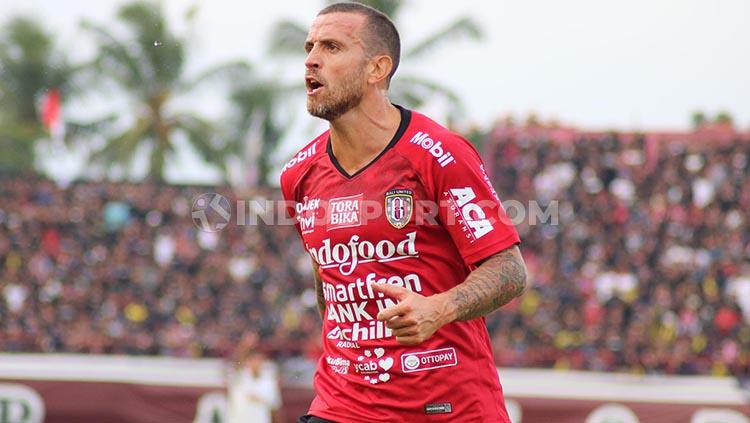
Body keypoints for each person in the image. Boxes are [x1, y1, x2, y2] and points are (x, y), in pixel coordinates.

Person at [280, 2, 528, 421]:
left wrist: (440, 309)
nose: (312, 59)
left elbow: (509, 269)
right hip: (341, 407)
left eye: (332, 47)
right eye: (309, 47)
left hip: (448, 409)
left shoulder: (439, 154)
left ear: (377, 69)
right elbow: (327, 275)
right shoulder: (298, 174)